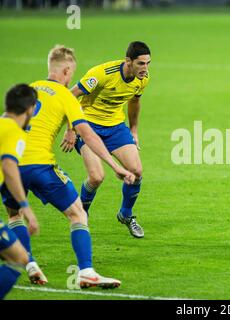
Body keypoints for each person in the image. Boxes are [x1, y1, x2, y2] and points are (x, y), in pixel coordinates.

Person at [1, 45, 136, 288]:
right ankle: (86, 271)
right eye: (71, 72)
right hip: (39, 166)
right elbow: (89, 135)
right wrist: (114, 165)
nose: (71, 77)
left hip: (8, 165)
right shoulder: (65, 94)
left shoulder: (29, 89)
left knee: (14, 214)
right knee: (77, 213)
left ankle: (29, 263)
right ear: (65, 70)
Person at [61, 41, 151, 239]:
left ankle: (126, 215)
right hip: (88, 126)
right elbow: (69, 97)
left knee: (136, 172)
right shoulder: (101, 74)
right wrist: (71, 128)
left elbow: (135, 101)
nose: (145, 69)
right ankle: (81, 215)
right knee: (96, 177)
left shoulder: (142, 79)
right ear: (128, 61)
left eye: (148, 63)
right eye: (141, 64)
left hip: (115, 127)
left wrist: (134, 130)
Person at [0, 84, 39, 298]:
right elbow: (9, 167)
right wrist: (25, 206)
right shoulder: (16, 133)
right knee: (18, 259)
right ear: (30, 109)